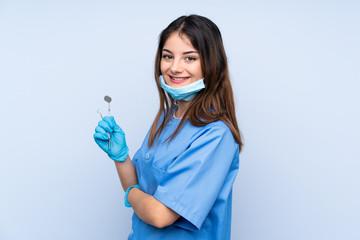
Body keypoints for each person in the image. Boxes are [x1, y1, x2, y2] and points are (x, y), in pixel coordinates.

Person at [94, 14, 243, 240]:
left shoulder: (215, 135)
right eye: (167, 56)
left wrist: (130, 195)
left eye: (189, 58)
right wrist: (121, 157)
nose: (174, 67)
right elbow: (137, 187)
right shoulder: (167, 117)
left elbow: (159, 215)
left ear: (211, 63)